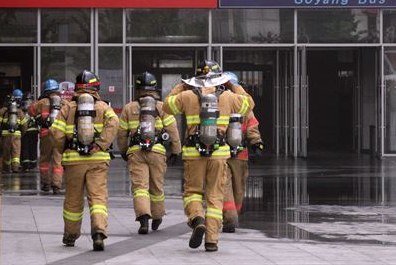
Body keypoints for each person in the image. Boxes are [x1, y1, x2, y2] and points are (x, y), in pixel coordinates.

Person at [163, 64, 254, 252]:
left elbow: (167, 106)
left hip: (193, 153)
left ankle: (197, 219)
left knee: (192, 192)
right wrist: (232, 85)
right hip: (219, 153)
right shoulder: (229, 97)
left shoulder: (186, 96)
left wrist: (182, 86)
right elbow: (249, 105)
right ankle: (212, 240)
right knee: (215, 196)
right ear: (219, 78)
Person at [50, 70, 118, 251]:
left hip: (73, 160)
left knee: (73, 200)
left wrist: (63, 148)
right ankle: (98, 231)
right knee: (98, 197)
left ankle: (71, 236)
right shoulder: (103, 106)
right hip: (98, 160)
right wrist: (101, 144)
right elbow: (114, 123)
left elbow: (55, 132)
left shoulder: (67, 107)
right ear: (96, 87)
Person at [117, 72, 181, 234]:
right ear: (155, 89)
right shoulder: (162, 107)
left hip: (136, 152)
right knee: (157, 187)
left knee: (140, 187)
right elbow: (173, 130)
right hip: (158, 152)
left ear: (137, 89)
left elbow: (122, 134)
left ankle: (143, 218)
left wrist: (124, 151)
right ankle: (158, 216)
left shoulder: (129, 108)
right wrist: (175, 151)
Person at [221, 72, 264, 233]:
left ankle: (229, 217)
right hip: (240, 154)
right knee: (239, 189)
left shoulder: (220, 102)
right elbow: (252, 125)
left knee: (225, 185)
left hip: (223, 152)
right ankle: (232, 216)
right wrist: (257, 143)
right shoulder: (244, 104)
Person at [32, 79, 64, 194]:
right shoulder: (63, 102)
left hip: (46, 134)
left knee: (45, 159)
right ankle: (56, 185)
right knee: (58, 161)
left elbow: (31, 111)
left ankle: (45, 184)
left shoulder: (42, 102)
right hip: (59, 135)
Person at [0, 89, 28, 173]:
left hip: (6, 135)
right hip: (17, 135)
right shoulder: (19, 111)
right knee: (16, 153)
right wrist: (22, 134)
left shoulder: (2, 111)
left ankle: (6, 168)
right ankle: (15, 168)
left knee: (6, 152)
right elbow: (24, 125)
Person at [21, 92, 38, 172]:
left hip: (25, 132)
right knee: (33, 148)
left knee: (25, 148)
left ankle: (26, 166)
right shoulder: (35, 107)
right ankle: (33, 165)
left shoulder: (22, 108)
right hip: (34, 131)